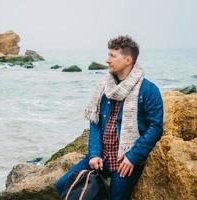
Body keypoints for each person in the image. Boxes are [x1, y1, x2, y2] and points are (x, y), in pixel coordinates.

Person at [55, 35, 164, 200]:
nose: (107, 60)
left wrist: (133, 156)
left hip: (125, 160)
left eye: (112, 56)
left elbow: (155, 128)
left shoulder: (148, 90)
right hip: (102, 156)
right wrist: (94, 154)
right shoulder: (105, 87)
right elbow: (95, 123)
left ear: (127, 60)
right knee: (62, 184)